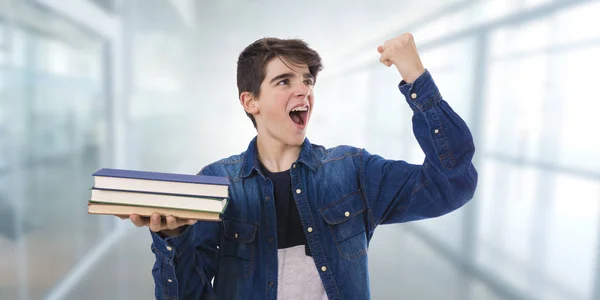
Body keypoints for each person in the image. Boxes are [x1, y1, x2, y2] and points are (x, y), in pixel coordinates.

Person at [124, 33, 478, 300]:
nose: (304, 91)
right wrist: (172, 239)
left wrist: (416, 77)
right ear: (250, 102)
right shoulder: (216, 183)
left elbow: (452, 183)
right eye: (284, 81)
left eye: (307, 80)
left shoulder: (352, 171)